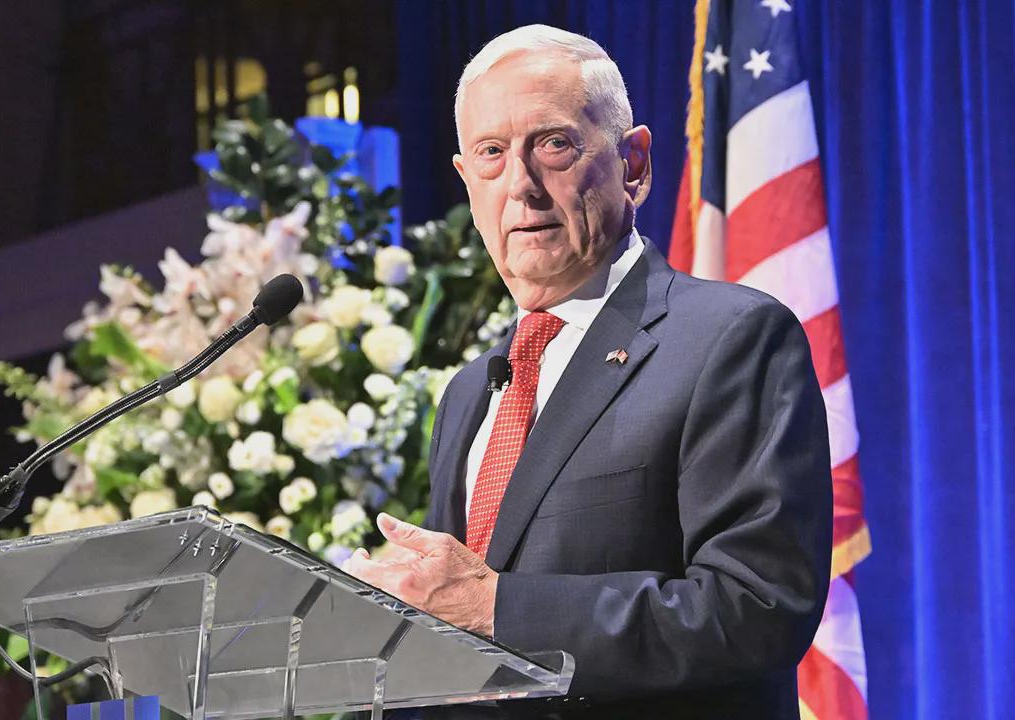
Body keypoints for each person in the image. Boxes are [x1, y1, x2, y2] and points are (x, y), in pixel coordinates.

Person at [345, 24, 833, 719]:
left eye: (553, 144)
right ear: (466, 182)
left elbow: (755, 608)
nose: (521, 185)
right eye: (491, 153)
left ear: (634, 164)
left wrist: (498, 608)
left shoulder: (729, 340)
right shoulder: (468, 392)